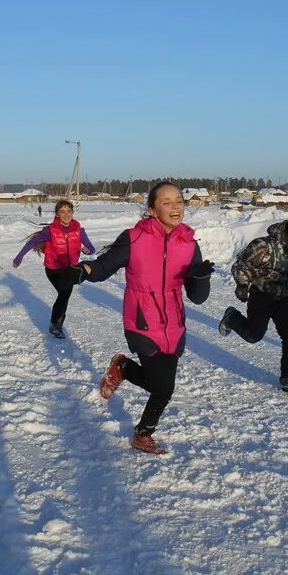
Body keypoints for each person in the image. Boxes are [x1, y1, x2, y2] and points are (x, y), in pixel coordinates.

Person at [76, 182, 212, 454]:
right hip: (141, 320)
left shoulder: (189, 244)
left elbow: (198, 298)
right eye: (166, 202)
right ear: (151, 209)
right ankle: (141, 428)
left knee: (163, 387)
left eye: (179, 201)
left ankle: (129, 389)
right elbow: (104, 266)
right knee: (161, 385)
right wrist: (83, 270)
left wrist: (200, 277)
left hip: (173, 323)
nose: (175, 207)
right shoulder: (134, 238)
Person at [218, 214, 288, 393]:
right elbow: (240, 266)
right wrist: (242, 285)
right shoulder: (264, 247)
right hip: (262, 296)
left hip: (285, 298)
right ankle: (232, 317)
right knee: (253, 336)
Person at [12, 199, 95, 338]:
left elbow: (91, 248)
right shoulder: (50, 230)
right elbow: (32, 243)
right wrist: (18, 257)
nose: (66, 214)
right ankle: (56, 325)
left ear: (73, 212)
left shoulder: (79, 230)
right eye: (62, 211)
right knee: (64, 293)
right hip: (53, 269)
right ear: (57, 214)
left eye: (69, 211)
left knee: (64, 295)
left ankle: (56, 325)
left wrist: (88, 251)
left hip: (70, 268)